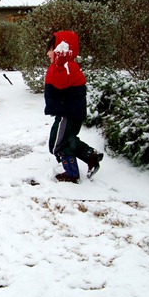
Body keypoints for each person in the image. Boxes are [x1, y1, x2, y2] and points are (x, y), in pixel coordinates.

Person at [44, 30, 103, 183]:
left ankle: (71, 173)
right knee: (67, 140)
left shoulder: (66, 67)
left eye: (50, 49)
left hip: (67, 113)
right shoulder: (67, 66)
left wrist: (59, 64)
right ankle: (91, 156)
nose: (48, 53)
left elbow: (60, 82)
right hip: (68, 112)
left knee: (57, 144)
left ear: (60, 50)